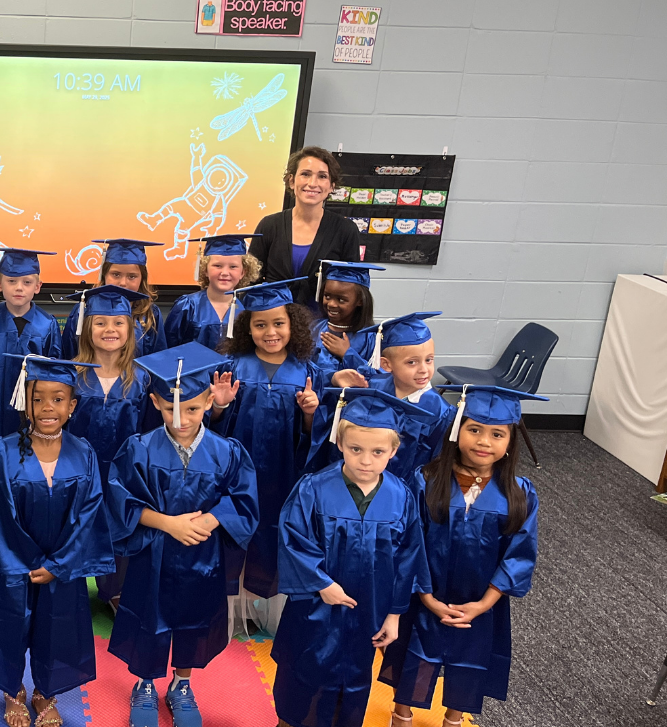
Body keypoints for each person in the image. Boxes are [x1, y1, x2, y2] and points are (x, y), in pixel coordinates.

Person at [106, 343, 259, 727]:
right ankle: (144, 684)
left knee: (195, 618)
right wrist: (168, 523)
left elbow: (243, 498)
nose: (181, 419)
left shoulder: (227, 452)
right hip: (154, 553)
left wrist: (213, 518)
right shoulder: (139, 449)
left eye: (191, 408)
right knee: (149, 616)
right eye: (171, 409)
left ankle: (182, 684)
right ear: (156, 402)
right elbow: (121, 501)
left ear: (208, 402)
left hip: (202, 557)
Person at [0, 355, 115, 727]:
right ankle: (12, 690)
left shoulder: (84, 453)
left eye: (58, 399)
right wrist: (27, 561)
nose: (47, 407)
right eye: (38, 398)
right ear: (24, 403)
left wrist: (57, 564)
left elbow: (90, 512)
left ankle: (45, 692)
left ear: (72, 405)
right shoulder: (3, 450)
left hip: (62, 564)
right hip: (12, 563)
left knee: (57, 628)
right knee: (8, 623)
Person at [382, 385, 542, 727]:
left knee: (470, 660)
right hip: (424, 593)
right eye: (474, 429)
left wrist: (483, 604)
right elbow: (410, 542)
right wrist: (427, 597)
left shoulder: (520, 494)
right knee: (413, 653)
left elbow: (519, 555)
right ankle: (401, 714)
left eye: (497, 434)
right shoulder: (426, 480)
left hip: (480, 602)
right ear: (457, 430)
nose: (484, 441)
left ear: (510, 442)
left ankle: (454, 719)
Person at [272, 388, 431, 727]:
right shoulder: (313, 488)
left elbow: (408, 559)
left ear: (393, 451)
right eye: (356, 449)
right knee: (302, 678)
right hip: (315, 609)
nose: (366, 460)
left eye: (378, 451)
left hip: (368, 614)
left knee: (352, 686)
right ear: (340, 443)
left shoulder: (402, 497)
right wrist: (322, 583)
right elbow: (293, 540)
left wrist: (394, 615)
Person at [211, 278, 322, 634]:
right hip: (238, 471)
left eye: (278, 324)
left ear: (293, 325)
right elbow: (215, 427)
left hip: (283, 472)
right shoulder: (234, 366)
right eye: (260, 325)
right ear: (248, 328)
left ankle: (264, 608)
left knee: (273, 532)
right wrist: (219, 406)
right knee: (235, 529)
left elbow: (313, 436)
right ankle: (229, 610)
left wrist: (310, 413)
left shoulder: (307, 370)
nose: (270, 332)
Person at [64, 284, 151, 612]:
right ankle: (70, 589)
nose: (109, 330)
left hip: (124, 472)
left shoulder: (142, 379)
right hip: (78, 471)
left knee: (120, 525)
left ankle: (115, 591)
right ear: (87, 328)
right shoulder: (70, 374)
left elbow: (150, 431)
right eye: (100, 322)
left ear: (130, 330)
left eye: (118, 323)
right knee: (75, 525)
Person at [317, 313, 454, 489]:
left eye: (429, 360)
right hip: (354, 479)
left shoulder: (441, 412)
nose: (423, 370)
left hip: (403, 491)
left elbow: (436, 463)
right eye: (412, 362)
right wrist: (335, 377)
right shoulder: (372, 387)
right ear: (386, 365)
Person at [248, 147, 362, 307]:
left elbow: (351, 288)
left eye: (322, 176)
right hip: (274, 319)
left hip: (323, 320)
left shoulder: (345, 230)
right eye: (305, 174)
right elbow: (251, 282)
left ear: (332, 186)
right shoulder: (269, 226)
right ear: (291, 181)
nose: (312, 183)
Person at [0, 247, 61, 437]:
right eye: (11, 281)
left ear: (37, 286)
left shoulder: (48, 324)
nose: (19, 287)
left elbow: (54, 373)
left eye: (27, 282)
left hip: (34, 408)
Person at [61, 239, 166, 360]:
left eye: (132, 276)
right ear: (104, 274)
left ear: (142, 278)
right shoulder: (83, 310)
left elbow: (159, 359)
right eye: (116, 274)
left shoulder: (150, 314)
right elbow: (69, 355)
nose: (123, 283)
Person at [163, 234, 262, 350]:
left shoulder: (246, 310)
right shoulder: (187, 306)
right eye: (218, 266)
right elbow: (167, 349)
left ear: (243, 272)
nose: (225, 273)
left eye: (233, 267)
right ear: (205, 269)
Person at [309, 260, 383, 375]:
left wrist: (347, 354)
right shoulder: (312, 329)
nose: (331, 304)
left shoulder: (370, 338)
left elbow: (378, 376)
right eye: (327, 296)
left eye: (341, 300)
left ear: (360, 301)